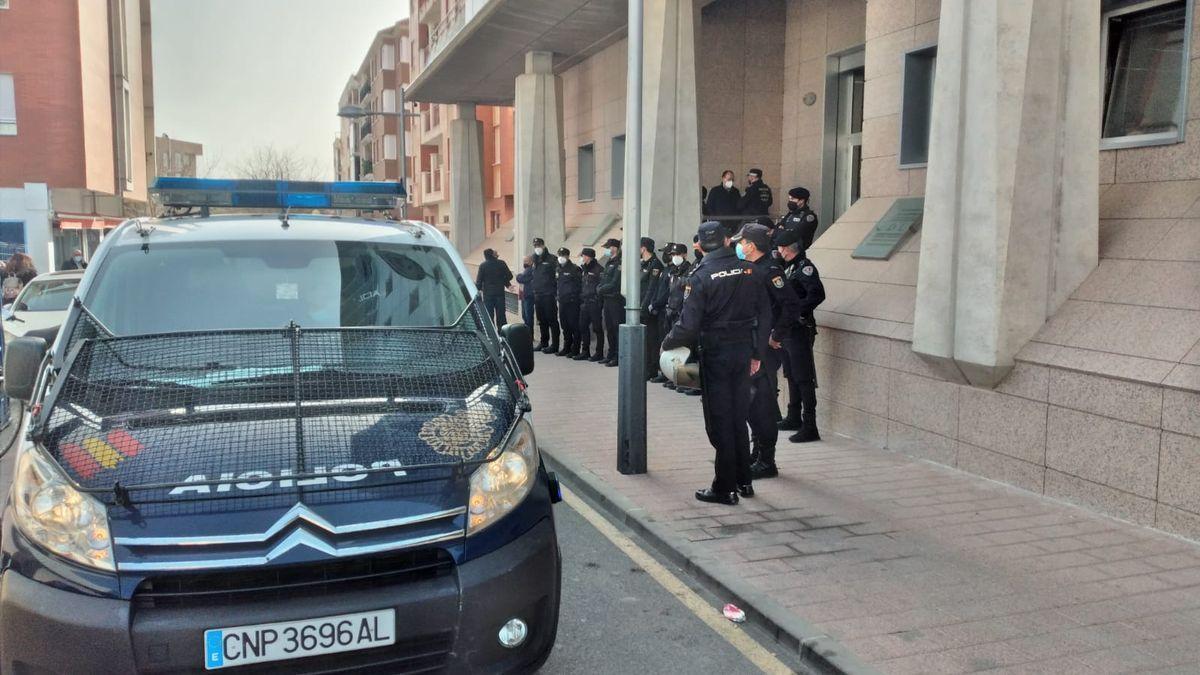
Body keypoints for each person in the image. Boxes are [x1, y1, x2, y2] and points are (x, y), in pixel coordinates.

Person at [661, 221, 771, 506]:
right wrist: (757, 354)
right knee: (738, 415)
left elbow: (688, 325)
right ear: (726, 240)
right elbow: (765, 315)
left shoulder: (700, 276)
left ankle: (724, 487)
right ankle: (744, 480)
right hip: (744, 351)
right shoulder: (751, 270)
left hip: (716, 353)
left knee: (719, 421)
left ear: (700, 245)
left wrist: (667, 343)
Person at [732, 223, 803, 479]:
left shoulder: (769, 271)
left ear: (751, 245)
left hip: (764, 350)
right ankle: (757, 452)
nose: (739, 246)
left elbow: (791, 305)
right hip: (749, 347)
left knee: (763, 404)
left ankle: (767, 461)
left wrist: (776, 335)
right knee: (751, 403)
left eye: (742, 242)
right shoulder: (749, 269)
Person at [775, 228, 826, 444]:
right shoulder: (790, 267)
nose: (777, 251)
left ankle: (810, 425)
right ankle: (793, 416)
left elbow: (817, 294)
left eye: (779, 247)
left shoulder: (805, 268)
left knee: (804, 377)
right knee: (792, 374)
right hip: (787, 329)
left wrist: (796, 310)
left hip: (799, 329)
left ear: (785, 249)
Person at [662, 243, 695, 393]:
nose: (675, 257)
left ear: (684, 255)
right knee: (675, 349)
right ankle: (676, 379)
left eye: (678, 254)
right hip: (672, 311)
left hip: (683, 313)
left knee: (687, 348)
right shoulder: (673, 271)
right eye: (673, 255)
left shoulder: (690, 270)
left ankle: (687, 381)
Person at [638, 237, 666, 381]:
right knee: (646, 341)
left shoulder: (655, 265)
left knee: (652, 340)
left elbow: (651, 289)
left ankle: (653, 368)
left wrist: (644, 307)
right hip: (641, 307)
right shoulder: (643, 264)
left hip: (648, 309)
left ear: (644, 248)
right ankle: (647, 367)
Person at [596, 238, 624, 366]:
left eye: (609, 247)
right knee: (609, 328)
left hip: (615, 299)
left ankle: (618, 356)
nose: (608, 250)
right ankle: (611, 354)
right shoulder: (609, 261)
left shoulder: (620, 262)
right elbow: (604, 279)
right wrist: (599, 288)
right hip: (607, 299)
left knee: (616, 328)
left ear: (615, 248)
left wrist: (600, 289)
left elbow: (614, 283)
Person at [529, 237, 560, 353]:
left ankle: (555, 345)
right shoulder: (535, 259)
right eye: (535, 246)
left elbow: (557, 276)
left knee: (552, 320)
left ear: (543, 245)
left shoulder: (552, 259)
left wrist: (555, 291)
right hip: (538, 294)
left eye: (539, 246)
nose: (537, 248)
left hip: (548, 294)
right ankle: (544, 342)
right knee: (541, 320)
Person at [575, 247, 606, 361]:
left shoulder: (599, 269)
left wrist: (598, 301)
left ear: (588, 256)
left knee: (597, 328)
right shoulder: (585, 269)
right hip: (585, 303)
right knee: (582, 326)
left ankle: (599, 353)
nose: (582, 258)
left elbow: (601, 287)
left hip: (594, 303)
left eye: (583, 256)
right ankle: (585, 351)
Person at [475, 248, 514, 329]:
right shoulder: (501, 263)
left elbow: (479, 281)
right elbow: (510, 276)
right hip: (500, 293)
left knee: (489, 316)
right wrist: (503, 281)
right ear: (493, 254)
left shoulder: (483, 266)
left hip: (488, 295)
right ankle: (502, 334)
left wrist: (477, 290)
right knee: (501, 316)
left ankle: (492, 335)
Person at [555, 247, 583, 357]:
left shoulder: (575, 269)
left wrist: (575, 297)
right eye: (559, 255)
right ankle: (567, 347)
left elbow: (579, 285)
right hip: (562, 301)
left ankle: (575, 349)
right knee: (565, 325)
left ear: (567, 256)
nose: (561, 257)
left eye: (563, 255)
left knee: (574, 325)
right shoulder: (558, 269)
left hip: (572, 302)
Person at [774, 187, 819, 253]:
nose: (790, 201)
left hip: (799, 252)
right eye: (789, 199)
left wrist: (783, 230)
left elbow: (795, 234)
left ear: (801, 200)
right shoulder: (790, 214)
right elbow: (777, 229)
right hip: (783, 250)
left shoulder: (809, 217)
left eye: (793, 199)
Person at [705, 170, 741, 235]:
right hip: (719, 225)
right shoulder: (715, 191)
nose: (730, 182)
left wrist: (736, 221)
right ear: (723, 178)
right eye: (729, 179)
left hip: (733, 226)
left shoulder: (735, 192)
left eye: (732, 180)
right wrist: (715, 220)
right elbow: (709, 207)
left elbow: (739, 207)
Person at [515, 256, 536, 330]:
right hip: (524, 295)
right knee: (524, 315)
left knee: (528, 316)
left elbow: (521, 279)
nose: (524, 263)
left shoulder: (530, 270)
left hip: (528, 296)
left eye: (526, 261)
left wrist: (518, 276)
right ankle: (527, 333)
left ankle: (530, 334)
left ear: (531, 262)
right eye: (524, 261)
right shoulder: (526, 270)